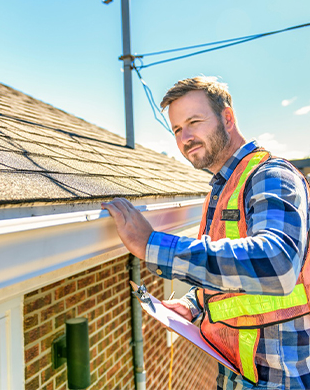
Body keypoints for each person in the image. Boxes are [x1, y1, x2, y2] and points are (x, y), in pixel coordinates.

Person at [102, 76, 310, 390]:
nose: (185, 137)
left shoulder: (270, 175)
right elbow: (234, 271)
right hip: (237, 376)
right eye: (176, 129)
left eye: (194, 121)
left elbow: (277, 264)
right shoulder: (222, 188)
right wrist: (194, 303)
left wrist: (151, 245)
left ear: (228, 118)